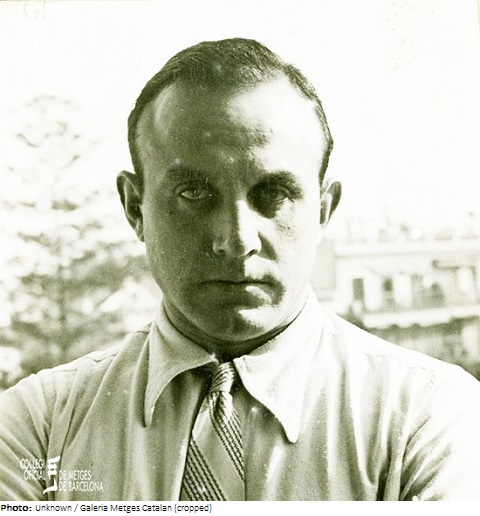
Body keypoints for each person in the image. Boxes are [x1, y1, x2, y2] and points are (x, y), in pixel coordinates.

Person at [1, 38, 480, 502]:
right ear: (134, 208)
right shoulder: (37, 428)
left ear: (323, 210)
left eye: (274, 194)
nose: (237, 241)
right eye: (193, 193)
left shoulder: (428, 416)